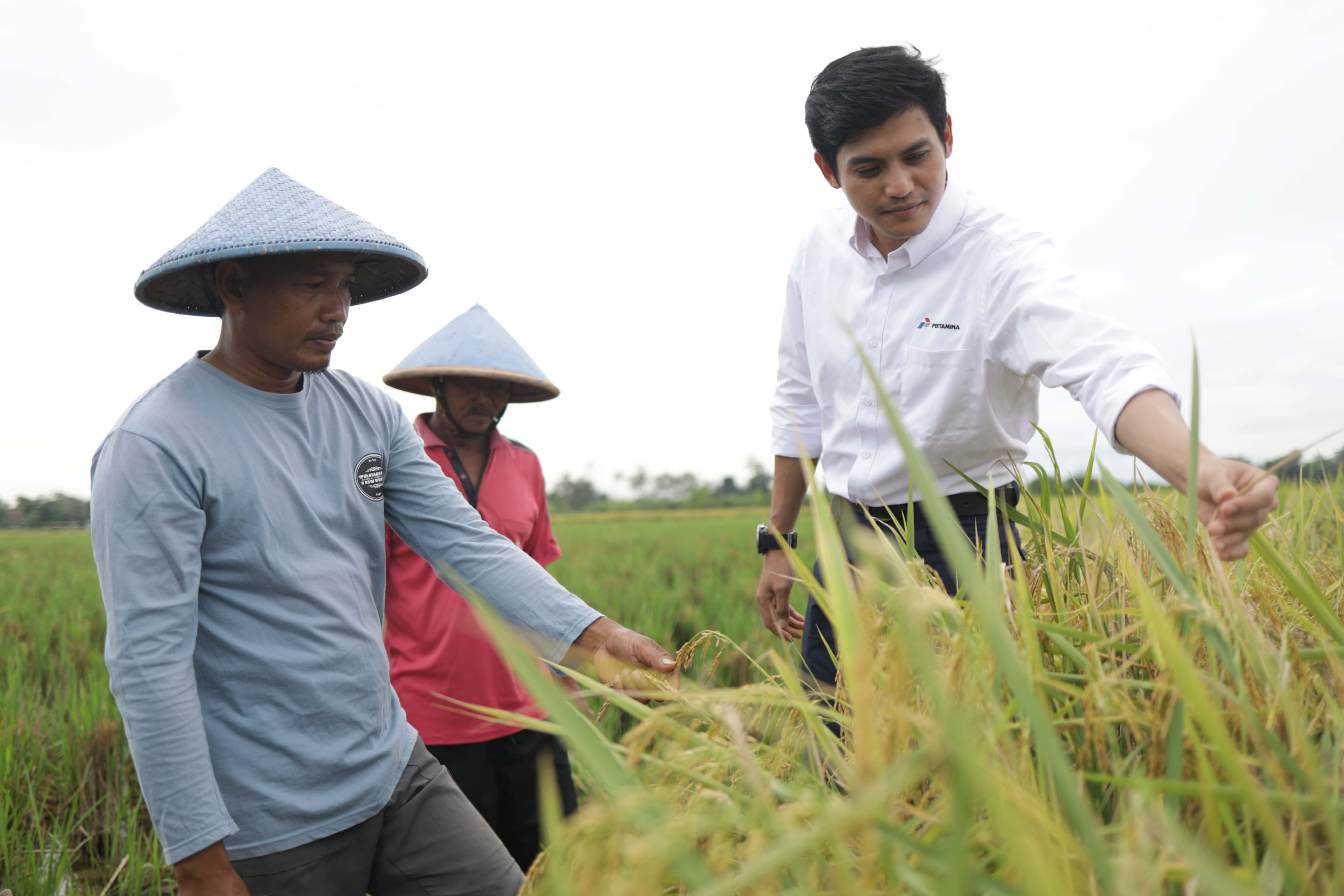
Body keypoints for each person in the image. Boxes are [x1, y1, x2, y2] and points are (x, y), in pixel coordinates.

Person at [90, 168, 676, 896]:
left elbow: (466, 543)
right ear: (234, 285)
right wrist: (199, 857)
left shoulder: (364, 414)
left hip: (394, 768)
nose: (338, 310)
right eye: (313, 285)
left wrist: (594, 636)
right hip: (269, 819)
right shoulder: (157, 445)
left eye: (344, 287)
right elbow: (150, 664)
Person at [755, 47, 1280, 687]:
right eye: (869, 168)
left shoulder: (1001, 258)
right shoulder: (817, 251)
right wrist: (779, 541)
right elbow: (798, 399)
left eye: (916, 155)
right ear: (827, 171)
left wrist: (1195, 467)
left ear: (947, 137)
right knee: (836, 747)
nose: (899, 185)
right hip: (845, 540)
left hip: (967, 541)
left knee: (984, 755)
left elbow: (1100, 362)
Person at [381, 305, 578, 871]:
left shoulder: (525, 466)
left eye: (497, 389)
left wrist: (563, 677)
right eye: (470, 384)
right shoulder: (395, 464)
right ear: (438, 384)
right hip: (432, 719)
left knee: (555, 868)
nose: (484, 401)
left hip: (530, 713)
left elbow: (537, 579)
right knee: (462, 878)